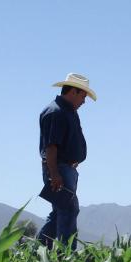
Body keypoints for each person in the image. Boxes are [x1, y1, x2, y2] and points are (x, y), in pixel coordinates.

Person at [37, 73, 97, 249]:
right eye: (83, 96)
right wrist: (54, 173)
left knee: (60, 212)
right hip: (59, 169)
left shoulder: (67, 111)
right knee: (69, 210)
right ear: (73, 92)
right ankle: (65, 255)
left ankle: (38, 251)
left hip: (66, 168)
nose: (84, 101)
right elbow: (51, 146)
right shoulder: (56, 112)